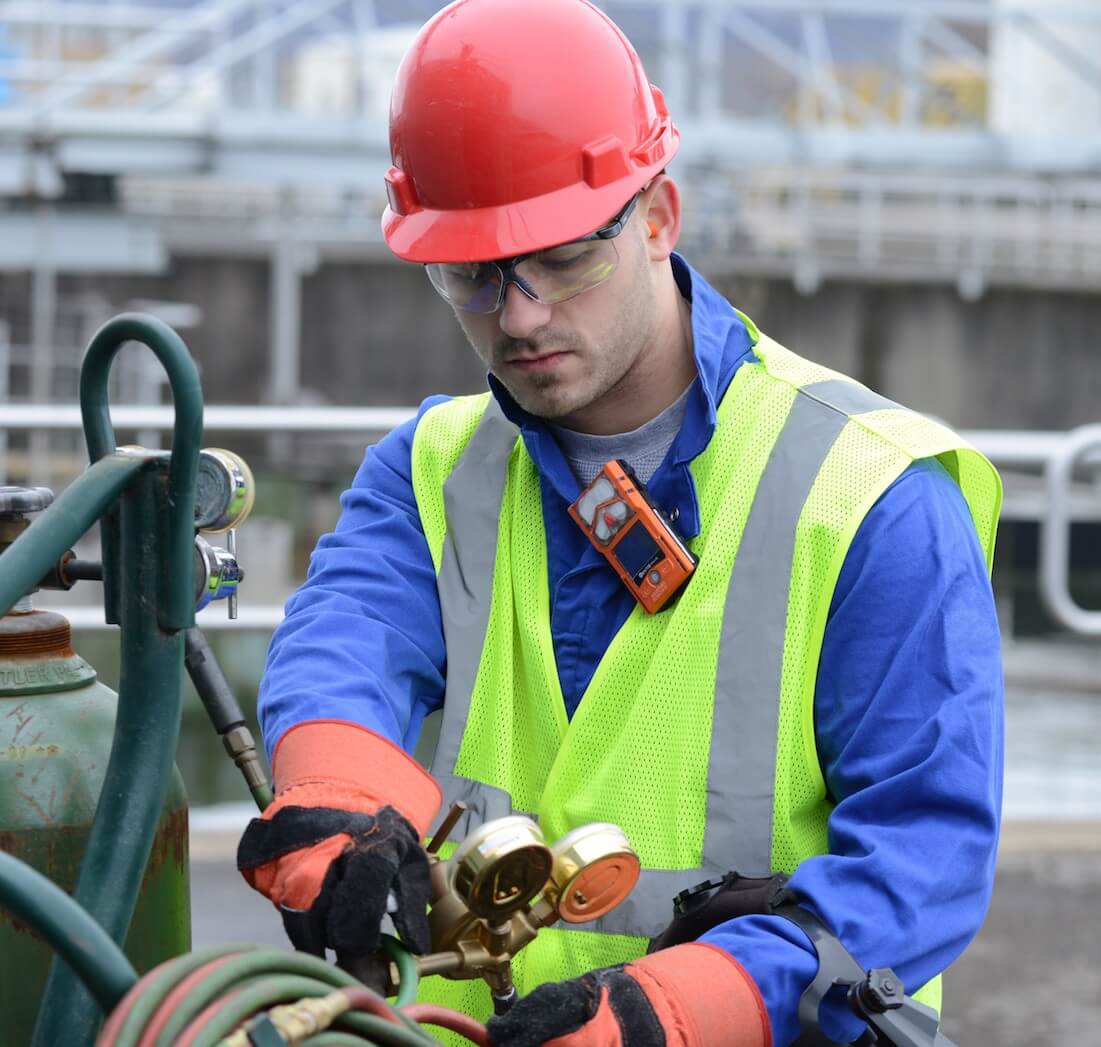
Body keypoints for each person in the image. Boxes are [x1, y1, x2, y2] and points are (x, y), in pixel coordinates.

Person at [236, 1, 1004, 1044]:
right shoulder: (428, 473)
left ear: (658, 215)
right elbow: (342, 650)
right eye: (470, 274)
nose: (518, 313)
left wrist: (682, 1013)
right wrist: (340, 799)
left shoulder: (871, 495)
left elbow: (924, 855)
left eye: (561, 257)